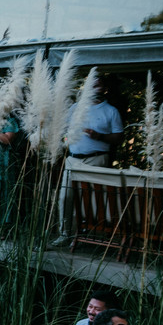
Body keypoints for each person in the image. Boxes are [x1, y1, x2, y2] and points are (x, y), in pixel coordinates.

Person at [55, 75, 124, 244]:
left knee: (91, 199)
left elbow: (119, 138)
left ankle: (86, 234)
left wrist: (100, 136)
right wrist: (65, 141)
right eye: (91, 84)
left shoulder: (111, 111)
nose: (94, 87)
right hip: (73, 159)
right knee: (65, 197)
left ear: (104, 89)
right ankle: (64, 234)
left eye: (98, 85)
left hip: (96, 159)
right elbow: (64, 130)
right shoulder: (75, 108)